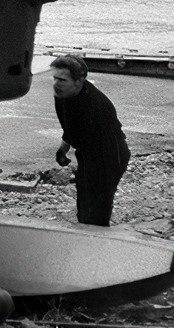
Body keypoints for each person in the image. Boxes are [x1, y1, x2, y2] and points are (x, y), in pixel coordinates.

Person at [51, 55, 130, 226]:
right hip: (88, 152)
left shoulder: (95, 107)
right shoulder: (62, 94)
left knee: (96, 212)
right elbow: (70, 128)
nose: (56, 84)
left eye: (62, 80)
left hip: (109, 155)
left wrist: (87, 173)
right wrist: (62, 150)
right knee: (84, 206)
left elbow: (103, 151)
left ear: (79, 81)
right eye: (55, 78)